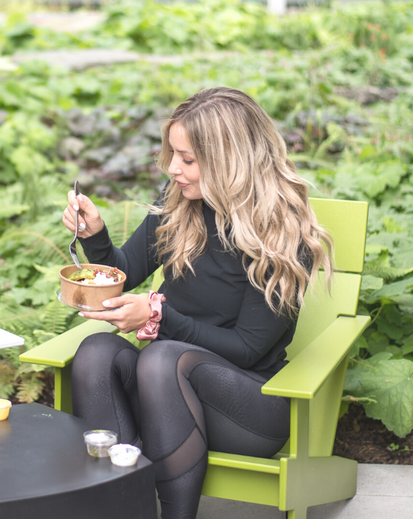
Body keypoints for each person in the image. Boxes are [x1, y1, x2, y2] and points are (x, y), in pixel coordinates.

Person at [61, 87, 333, 519]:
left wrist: (158, 317)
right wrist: (95, 236)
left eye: (187, 159)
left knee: (162, 357)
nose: (173, 168)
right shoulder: (179, 205)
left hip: (247, 408)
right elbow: (124, 271)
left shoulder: (281, 234)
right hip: (164, 394)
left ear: (230, 161)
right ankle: (115, 509)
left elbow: (248, 348)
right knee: (96, 352)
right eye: (173, 154)